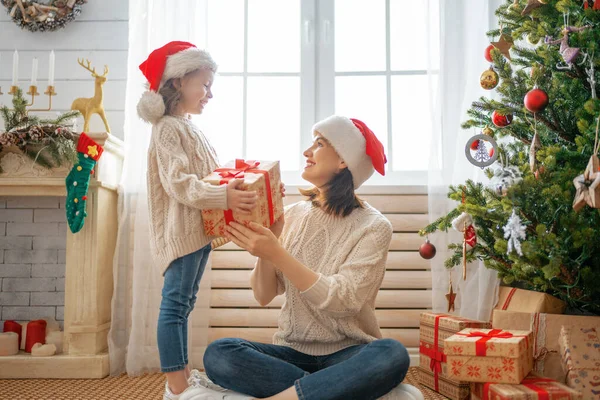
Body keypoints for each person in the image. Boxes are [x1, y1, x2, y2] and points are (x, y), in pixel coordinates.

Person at [194, 116, 423, 400]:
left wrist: (277, 252)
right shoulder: (293, 214)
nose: (306, 152)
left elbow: (343, 302)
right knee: (220, 353)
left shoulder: (374, 227)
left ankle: (292, 395)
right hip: (291, 353)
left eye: (318, 144)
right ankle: (331, 389)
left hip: (348, 354)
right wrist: (272, 240)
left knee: (392, 354)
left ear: (343, 161)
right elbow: (263, 294)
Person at [137, 41, 259, 400]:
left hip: (197, 232)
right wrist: (225, 195)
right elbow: (179, 184)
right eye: (204, 84)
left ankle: (183, 376)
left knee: (184, 303)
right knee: (175, 303)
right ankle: (176, 386)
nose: (210, 93)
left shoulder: (188, 127)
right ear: (178, 82)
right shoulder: (167, 128)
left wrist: (234, 182)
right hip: (181, 232)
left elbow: (206, 176)